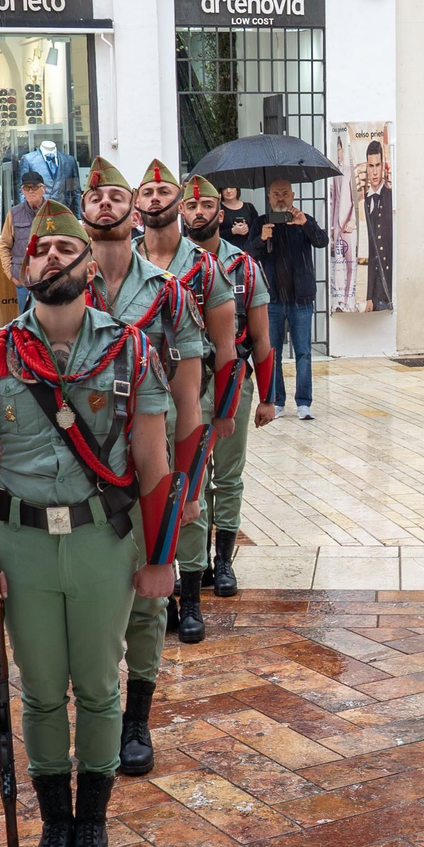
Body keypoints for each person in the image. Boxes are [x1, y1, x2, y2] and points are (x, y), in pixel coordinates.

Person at [0, 198, 179, 847]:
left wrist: (160, 557)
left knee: (101, 685)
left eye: (65, 250)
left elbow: (154, 463)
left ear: (90, 270)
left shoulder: (133, 349)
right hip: (20, 543)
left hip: (99, 542)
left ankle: (93, 827)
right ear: (24, 270)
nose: (50, 257)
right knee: (44, 691)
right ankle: (56, 825)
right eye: (39, 252)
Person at [80, 158, 208, 778]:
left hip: (147, 465)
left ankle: (136, 717)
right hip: (77, 468)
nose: (105, 206)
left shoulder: (168, 294)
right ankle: (96, 706)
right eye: (94, 198)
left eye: (115, 197)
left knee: (149, 600)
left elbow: (189, 398)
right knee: (90, 596)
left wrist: (186, 485)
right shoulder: (61, 289)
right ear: (84, 214)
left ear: (134, 213)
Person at [134, 159, 240, 645]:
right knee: (145, 499)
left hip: (190, 401)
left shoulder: (203, 267)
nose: (156, 199)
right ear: (138, 205)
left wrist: (222, 414)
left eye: (164, 192)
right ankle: (163, 598)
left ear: (178, 202)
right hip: (134, 410)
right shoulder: (120, 266)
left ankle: (193, 598)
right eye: (147, 193)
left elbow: (225, 346)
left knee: (190, 500)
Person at [176, 174, 278, 609]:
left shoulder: (245, 267)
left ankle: (223, 560)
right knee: (189, 474)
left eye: (206, 206)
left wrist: (270, 397)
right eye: (190, 206)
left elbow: (261, 338)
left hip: (231, 379)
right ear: (181, 212)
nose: (198, 213)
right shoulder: (168, 267)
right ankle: (192, 564)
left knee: (227, 475)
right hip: (182, 380)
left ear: (222, 211)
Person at [256, 175, 327, 419]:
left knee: (303, 352)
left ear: (293, 196)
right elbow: (246, 252)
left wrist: (305, 224)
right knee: (272, 352)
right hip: (272, 299)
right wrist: (261, 237)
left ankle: (303, 403)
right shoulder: (262, 223)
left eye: (285, 193)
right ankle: (277, 402)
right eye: (276, 194)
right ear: (269, 198)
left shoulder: (303, 220)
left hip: (301, 299)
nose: (280, 198)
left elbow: (322, 241)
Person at [0, 172, 48, 312]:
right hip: (22, 279)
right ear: (22, 191)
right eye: (27, 188)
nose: (31, 191)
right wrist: (10, 274)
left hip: (48, 277)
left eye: (35, 187)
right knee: (26, 321)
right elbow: (4, 245)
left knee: (50, 319)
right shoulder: (14, 213)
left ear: (43, 188)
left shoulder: (53, 211)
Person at [358, 139, 394, 311]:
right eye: (370, 166)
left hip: (388, 283)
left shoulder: (391, 197)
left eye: (377, 165)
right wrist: (368, 295)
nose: (374, 172)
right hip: (371, 287)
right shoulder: (362, 202)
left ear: (383, 166)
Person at [218, 185, 259, 252]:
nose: (228, 191)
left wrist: (247, 229)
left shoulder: (249, 207)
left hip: (247, 251)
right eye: (225, 188)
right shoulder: (218, 208)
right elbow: (213, 234)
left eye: (232, 187)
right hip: (226, 251)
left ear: (237, 189)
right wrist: (232, 231)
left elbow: (257, 230)